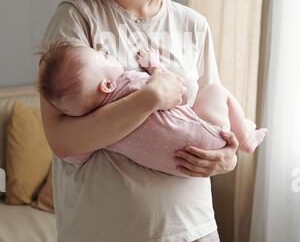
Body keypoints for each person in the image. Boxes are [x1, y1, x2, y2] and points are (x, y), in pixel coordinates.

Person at [39, 0, 239, 242]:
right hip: (101, 241)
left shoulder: (192, 25)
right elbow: (63, 141)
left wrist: (227, 158)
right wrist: (151, 97)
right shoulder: (77, 18)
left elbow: (211, 114)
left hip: (191, 232)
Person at [38, 43, 266, 177]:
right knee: (216, 91)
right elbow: (177, 92)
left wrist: (230, 160)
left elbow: (71, 154)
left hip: (180, 166)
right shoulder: (131, 84)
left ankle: (241, 139)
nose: (105, 51)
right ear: (108, 85)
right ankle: (245, 137)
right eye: (103, 56)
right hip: (207, 135)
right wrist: (154, 65)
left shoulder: (98, 132)